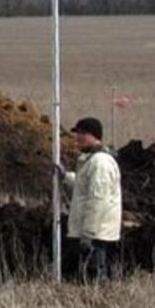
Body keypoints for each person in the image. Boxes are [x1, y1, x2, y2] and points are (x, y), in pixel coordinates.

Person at [60, 116, 122, 282]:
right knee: (86, 277)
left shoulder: (100, 163)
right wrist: (65, 177)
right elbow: (84, 189)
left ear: (95, 136)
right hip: (93, 231)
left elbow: (98, 200)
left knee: (94, 278)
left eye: (83, 133)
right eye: (77, 133)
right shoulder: (91, 160)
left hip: (97, 234)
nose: (78, 137)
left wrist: (88, 234)